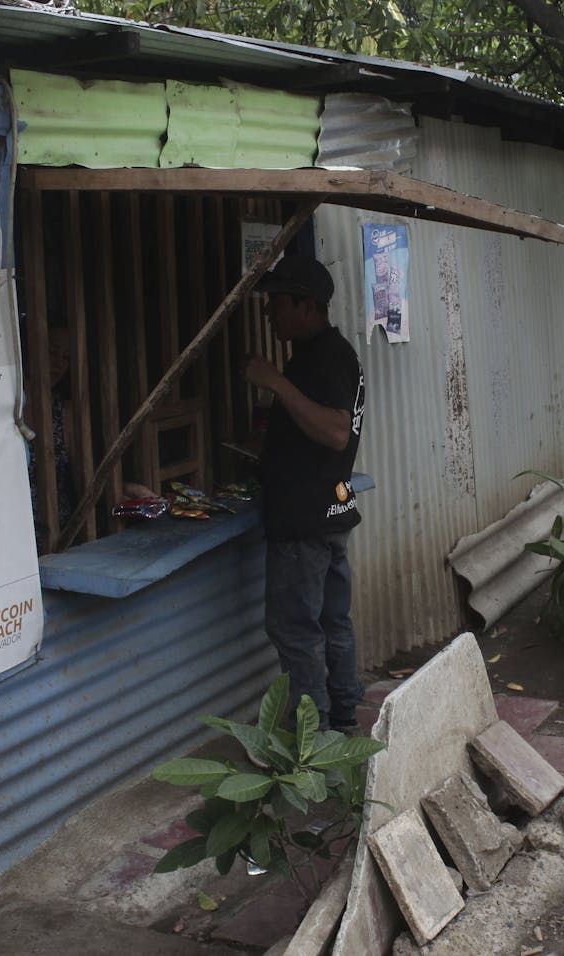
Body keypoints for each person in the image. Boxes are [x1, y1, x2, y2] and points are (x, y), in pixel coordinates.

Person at [244, 255, 367, 732]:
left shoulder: (325, 357)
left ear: (307, 307)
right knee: (333, 623)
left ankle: (310, 746)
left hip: (306, 522)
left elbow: (336, 433)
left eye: (277, 304)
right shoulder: (323, 356)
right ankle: (342, 720)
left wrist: (274, 382)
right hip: (328, 512)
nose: (270, 314)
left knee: (297, 633)